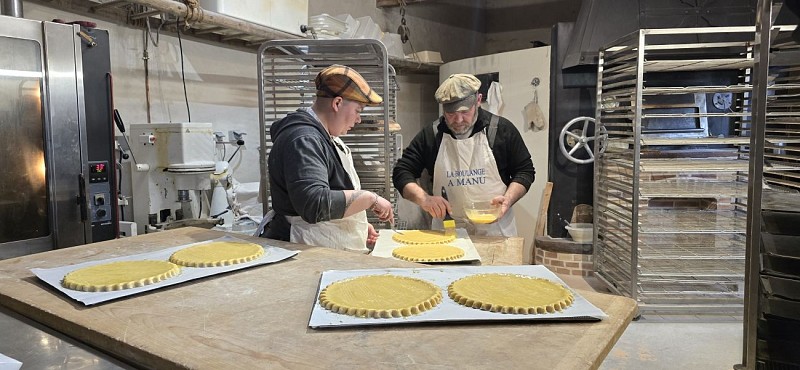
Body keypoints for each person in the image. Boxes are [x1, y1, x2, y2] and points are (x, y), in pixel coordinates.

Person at [256, 64, 394, 252]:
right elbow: (315, 203)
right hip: (301, 247)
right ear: (337, 103)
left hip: (319, 243)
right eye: (358, 111)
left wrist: (354, 224)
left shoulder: (325, 137)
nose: (358, 119)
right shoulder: (304, 139)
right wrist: (370, 199)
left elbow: (333, 187)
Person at [392, 73, 535, 236]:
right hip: (448, 228)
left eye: (465, 112)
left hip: (495, 230)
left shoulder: (501, 130)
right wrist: (424, 199)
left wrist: (508, 200)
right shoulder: (431, 135)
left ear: (478, 100)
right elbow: (401, 172)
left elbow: (525, 171)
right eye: (451, 114)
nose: (458, 120)